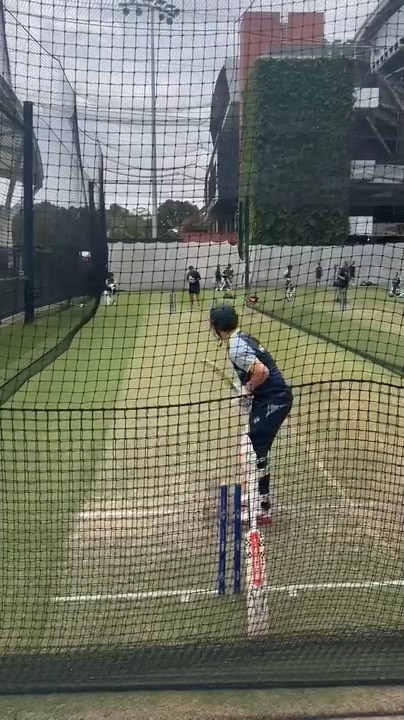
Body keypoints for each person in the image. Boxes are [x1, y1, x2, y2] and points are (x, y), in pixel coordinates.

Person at [209, 305, 293, 524]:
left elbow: (261, 372)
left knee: (253, 452)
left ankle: (261, 510)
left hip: (274, 400)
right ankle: (258, 499)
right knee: (250, 449)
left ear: (217, 327)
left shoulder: (236, 347)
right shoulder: (242, 339)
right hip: (268, 399)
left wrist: (247, 390)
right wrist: (248, 394)